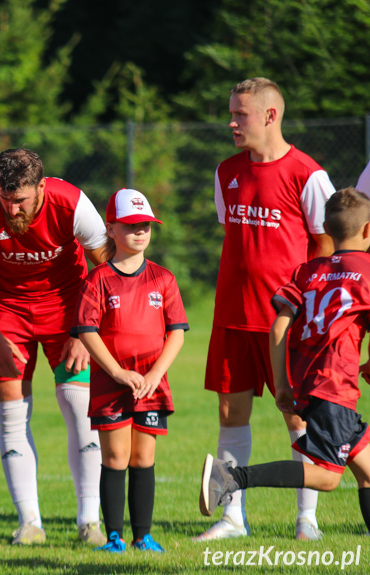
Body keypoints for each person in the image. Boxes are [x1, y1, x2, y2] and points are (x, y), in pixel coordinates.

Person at [197, 77, 338, 542]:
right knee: (229, 414)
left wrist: (306, 308)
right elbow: (233, 236)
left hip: (286, 323)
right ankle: (232, 518)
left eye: (241, 114)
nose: (232, 122)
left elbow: (326, 247)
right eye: (232, 113)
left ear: (270, 116)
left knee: (296, 416)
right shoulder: (226, 171)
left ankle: (307, 520)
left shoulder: (308, 173)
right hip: (232, 315)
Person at [0, 148, 109, 545]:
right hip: (7, 311)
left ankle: (90, 521)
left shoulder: (72, 203)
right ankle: (30, 523)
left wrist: (82, 332)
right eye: (5, 200)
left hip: (68, 306)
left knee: (79, 409)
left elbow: (106, 267)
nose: (12, 209)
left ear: (41, 187)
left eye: (20, 200)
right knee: (11, 413)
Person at [200, 188, 370, 535]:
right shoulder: (367, 271)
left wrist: (281, 384)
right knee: (326, 477)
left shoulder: (309, 271)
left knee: (368, 468)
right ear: (368, 230)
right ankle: (232, 477)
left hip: (307, 381)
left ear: (326, 227)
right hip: (334, 385)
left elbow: (278, 325)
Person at [76, 189, 187, 553]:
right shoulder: (98, 279)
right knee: (115, 458)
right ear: (111, 229)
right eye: (130, 226)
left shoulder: (163, 278)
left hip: (151, 382)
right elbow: (87, 331)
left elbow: (176, 333)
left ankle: (143, 536)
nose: (140, 232)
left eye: (146, 226)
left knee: (143, 458)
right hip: (112, 382)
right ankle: (114, 537)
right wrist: (117, 372)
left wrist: (155, 374)